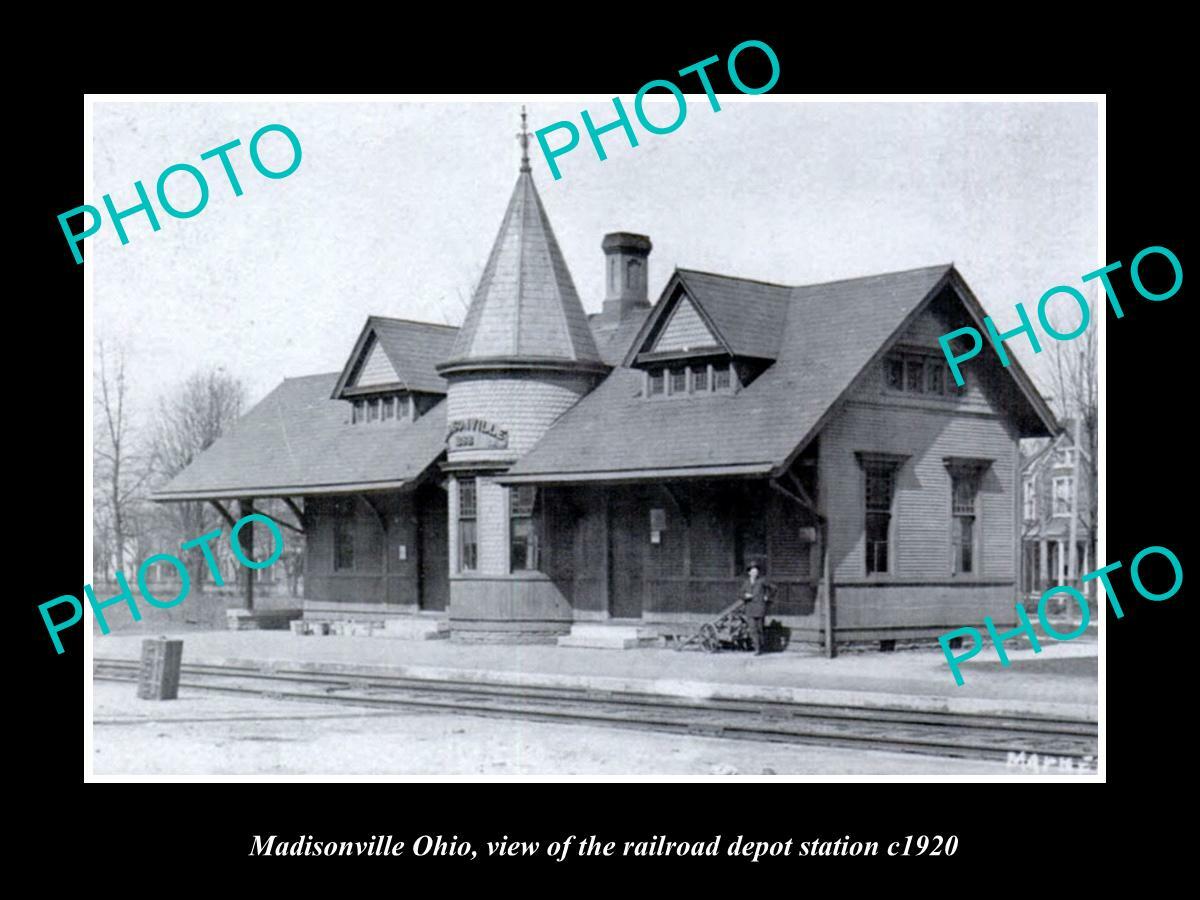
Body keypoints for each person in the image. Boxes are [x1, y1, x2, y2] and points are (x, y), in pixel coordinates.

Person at [740, 559, 773, 655]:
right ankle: (757, 649)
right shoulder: (746, 582)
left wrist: (767, 596)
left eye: (756, 571)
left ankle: (761, 646)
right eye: (752, 571)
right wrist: (745, 596)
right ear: (749, 572)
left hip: (759, 608)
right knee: (752, 629)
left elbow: (773, 588)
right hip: (749, 609)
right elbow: (740, 593)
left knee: (759, 629)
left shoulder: (762, 581)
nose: (755, 573)